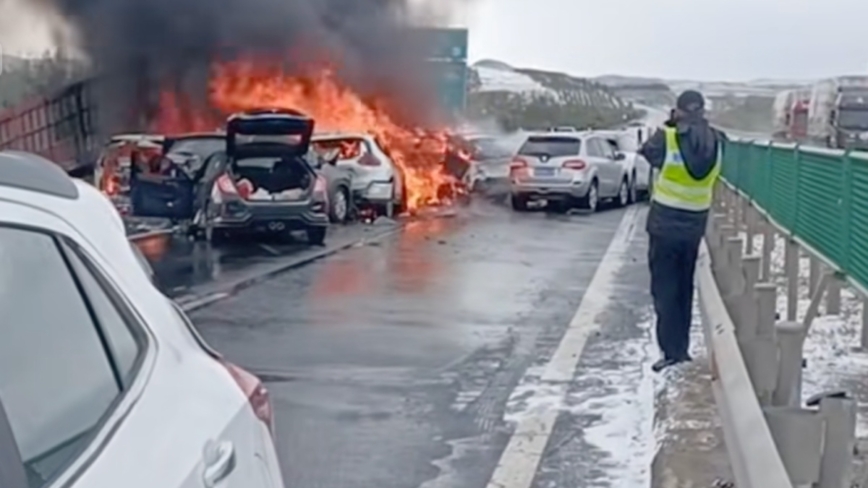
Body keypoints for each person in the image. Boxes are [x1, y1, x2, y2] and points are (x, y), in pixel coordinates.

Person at [638, 90, 726, 372]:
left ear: (678, 111)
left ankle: (671, 351)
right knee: (684, 288)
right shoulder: (718, 140)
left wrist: (670, 125)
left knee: (664, 290)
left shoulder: (669, 137)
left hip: (665, 224)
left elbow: (648, 154)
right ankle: (682, 349)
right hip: (694, 225)